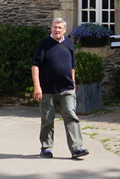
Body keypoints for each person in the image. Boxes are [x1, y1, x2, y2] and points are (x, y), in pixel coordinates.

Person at [31, 18, 88, 159]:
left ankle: (77, 149)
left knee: (71, 116)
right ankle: (46, 148)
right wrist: (37, 86)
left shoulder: (68, 43)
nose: (57, 30)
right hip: (47, 90)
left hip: (66, 88)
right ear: (51, 28)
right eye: (55, 27)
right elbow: (35, 66)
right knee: (47, 120)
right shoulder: (44, 44)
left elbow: (72, 65)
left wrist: (73, 82)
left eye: (60, 28)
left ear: (64, 30)